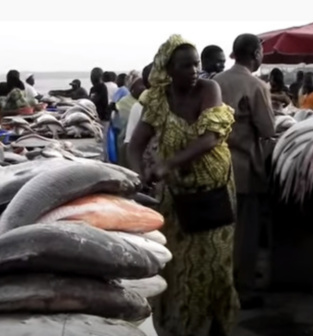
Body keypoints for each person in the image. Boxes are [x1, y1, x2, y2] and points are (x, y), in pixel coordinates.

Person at [128, 35, 239, 336]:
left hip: (212, 195)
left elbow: (210, 138)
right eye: (185, 66)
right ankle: (179, 326)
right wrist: (140, 177)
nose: (193, 71)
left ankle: (216, 326)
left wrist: (167, 164)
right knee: (175, 266)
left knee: (214, 265)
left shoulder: (209, 89)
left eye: (196, 65)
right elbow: (135, 145)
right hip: (174, 199)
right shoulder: (157, 100)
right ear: (168, 69)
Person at [214, 33, 275, 309]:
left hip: (215, 166)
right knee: (244, 234)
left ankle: (218, 285)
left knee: (220, 232)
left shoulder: (214, 83)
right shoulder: (256, 85)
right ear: (255, 54)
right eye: (261, 51)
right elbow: (267, 129)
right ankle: (242, 290)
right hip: (244, 169)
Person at [114, 77, 145, 168]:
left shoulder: (144, 102)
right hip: (127, 140)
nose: (143, 88)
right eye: (140, 85)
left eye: (144, 85)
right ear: (132, 89)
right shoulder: (127, 102)